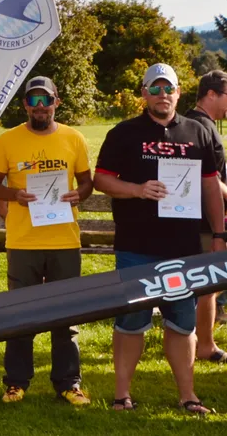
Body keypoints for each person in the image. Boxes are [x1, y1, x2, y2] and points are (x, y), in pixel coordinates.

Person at [94, 63, 226, 414]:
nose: (162, 94)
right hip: (135, 247)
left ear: (179, 93)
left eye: (168, 88)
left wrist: (218, 234)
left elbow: (210, 187)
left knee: (182, 324)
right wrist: (137, 189)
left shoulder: (197, 132)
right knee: (131, 323)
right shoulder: (123, 132)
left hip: (183, 248)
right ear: (144, 93)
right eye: (155, 88)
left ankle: (188, 396)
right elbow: (102, 180)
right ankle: (122, 395)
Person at [0, 76, 93, 406]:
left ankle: (69, 383)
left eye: (46, 99)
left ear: (57, 102)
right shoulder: (8, 140)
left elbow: (87, 183)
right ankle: (16, 383)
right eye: (33, 100)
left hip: (65, 241)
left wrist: (79, 194)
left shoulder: (74, 138)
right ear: (25, 106)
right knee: (20, 315)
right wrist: (14, 195)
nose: (40, 106)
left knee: (67, 315)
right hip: (23, 242)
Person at [183, 69, 227, 363]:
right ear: (211, 94)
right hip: (203, 222)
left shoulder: (199, 123)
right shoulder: (200, 126)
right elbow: (207, 178)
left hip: (203, 219)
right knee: (207, 285)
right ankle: (205, 346)